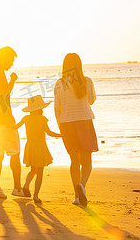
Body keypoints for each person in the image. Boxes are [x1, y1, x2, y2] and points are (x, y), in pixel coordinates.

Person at [54, 53, 98, 207]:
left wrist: (60, 125)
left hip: (67, 123)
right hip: (84, 121)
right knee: (87, 162)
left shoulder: (59, 83)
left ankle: (76, 196)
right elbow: (91, 100)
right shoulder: (87, 81)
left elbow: (57, 108)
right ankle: (82, 186)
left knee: (74, 161)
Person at [0, 46, 25, 198]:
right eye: (10, 60)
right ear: (4, 58)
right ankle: (17, 188)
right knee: (14, 152)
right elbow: (3, 96)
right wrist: (13, 81)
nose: (11, 64)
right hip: (3, 119)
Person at [14, 95, 61, 203]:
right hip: (40, 147)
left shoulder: (26, 118)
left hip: (30, 146)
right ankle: (35, 195)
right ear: (40, 108)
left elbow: (15, 127)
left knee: (33, 169)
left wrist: (6, 125)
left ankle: (26, 185)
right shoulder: (42, 119)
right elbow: (49, 133)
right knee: (39, 172)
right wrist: (62, 135)